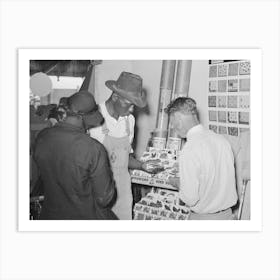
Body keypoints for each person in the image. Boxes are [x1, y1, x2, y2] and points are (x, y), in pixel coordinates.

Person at [33, 90, 117, 220]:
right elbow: (104, 198)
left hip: (49, 216)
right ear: (83, 118)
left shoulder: (42, 137)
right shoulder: (93, 148)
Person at [89, 71, 161, 220]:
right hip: (98, 191)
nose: (132, 110)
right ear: (115, 97)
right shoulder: (93, 118)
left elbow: (124, 159)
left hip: (122, 190)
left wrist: (143, 166)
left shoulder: (130, 121)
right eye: (129, 104)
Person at [165, 97, 238, 220]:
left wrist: (175, 181)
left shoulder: (189, 149)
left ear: (178, 118)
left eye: (172, 122)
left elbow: (190, 198)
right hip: (228, 216)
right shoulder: (221, 140)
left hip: (204, 219)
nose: (172, 127)